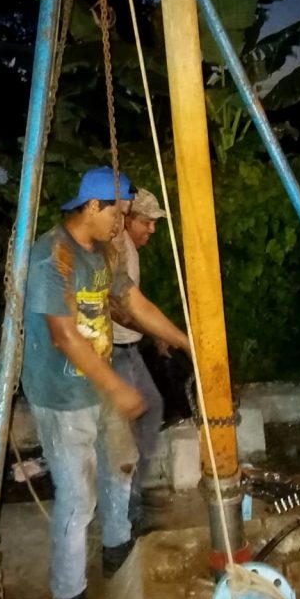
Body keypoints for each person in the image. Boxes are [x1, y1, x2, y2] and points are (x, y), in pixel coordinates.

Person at [21, 166, 190, 599]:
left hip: (100, 381)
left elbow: (133, 303)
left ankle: (117, 550)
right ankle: (70, 591)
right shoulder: (53, 256)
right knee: (78, 498)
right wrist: (117, 388)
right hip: (61, 393)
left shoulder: (104, 253)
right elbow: (64, 335)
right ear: (93, 206)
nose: (122, 223)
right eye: (119, 213)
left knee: (120, 466)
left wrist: (185, 341)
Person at [111, 187, 189, 531]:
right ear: (127, 219)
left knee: (152, 408)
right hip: (115, 351)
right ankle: (127, 513)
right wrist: (162, 334)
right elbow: (120, 308)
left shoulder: (129, 248)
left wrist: (155, 334)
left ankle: (134, 495)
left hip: (129, 348)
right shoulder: (120, 248)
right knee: (125, 433)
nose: (152, 229)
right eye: (147, 221)